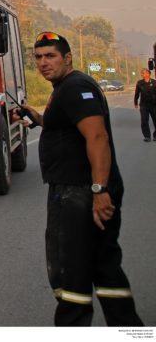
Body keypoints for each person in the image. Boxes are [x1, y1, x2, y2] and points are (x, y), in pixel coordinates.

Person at [16, 32, 143, 327]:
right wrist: (36, 117)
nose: (43, 63)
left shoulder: (75, 87)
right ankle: (129, 329)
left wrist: (99, 190)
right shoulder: (68, 87)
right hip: (84, 189)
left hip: (79, 192)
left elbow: (97, 137)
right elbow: (68, 126)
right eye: (38, 57)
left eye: (51, 56)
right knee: (104, 264)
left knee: (69, 267)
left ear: (68, 58)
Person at [133, 69, 156, 142]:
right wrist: (135, 102)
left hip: (154, 105)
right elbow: (137, 93)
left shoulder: (154, 82)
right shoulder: (140, 83)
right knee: (144, 121)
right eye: (141, 73)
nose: (142, 74)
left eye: (143, 73)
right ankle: (147, 136)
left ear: (148, 74)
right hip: (144, 105)